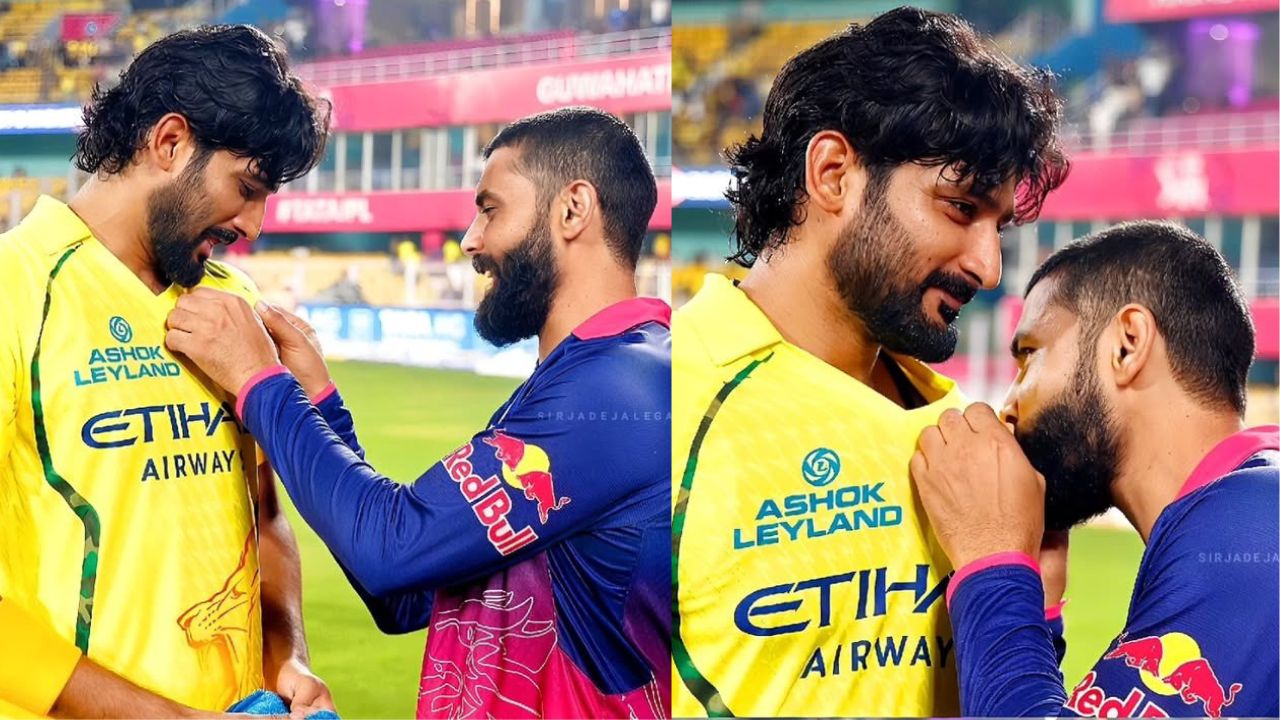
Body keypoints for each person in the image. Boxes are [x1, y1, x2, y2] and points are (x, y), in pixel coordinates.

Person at [165, 107, 672, 719]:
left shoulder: (620, 390)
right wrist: (320, 401)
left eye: (491, 209)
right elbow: (407, 594)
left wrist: (258, 381)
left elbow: (390, 552)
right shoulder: (584, 379)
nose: (470, 240)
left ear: (573, 209)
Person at [670, 7, 1069, 717]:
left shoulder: (972, 446)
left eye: (998, 227)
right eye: (960, 206)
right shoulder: (663, 404)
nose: (988, 264)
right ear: (833, 174)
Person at [0, 25, 332, 718]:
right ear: (170, 142)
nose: (256, 224)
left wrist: (287, 658)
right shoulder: (14, 288)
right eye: (247, 186)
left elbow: (264, 517)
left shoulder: (235, 307)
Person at [910, 221, 1278, 717]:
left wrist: (992, 557)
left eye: (1029, 357)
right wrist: (1032, 607)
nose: (1010, 404)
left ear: (1127, 344)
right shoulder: (1244, 508)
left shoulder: (1252, 530)